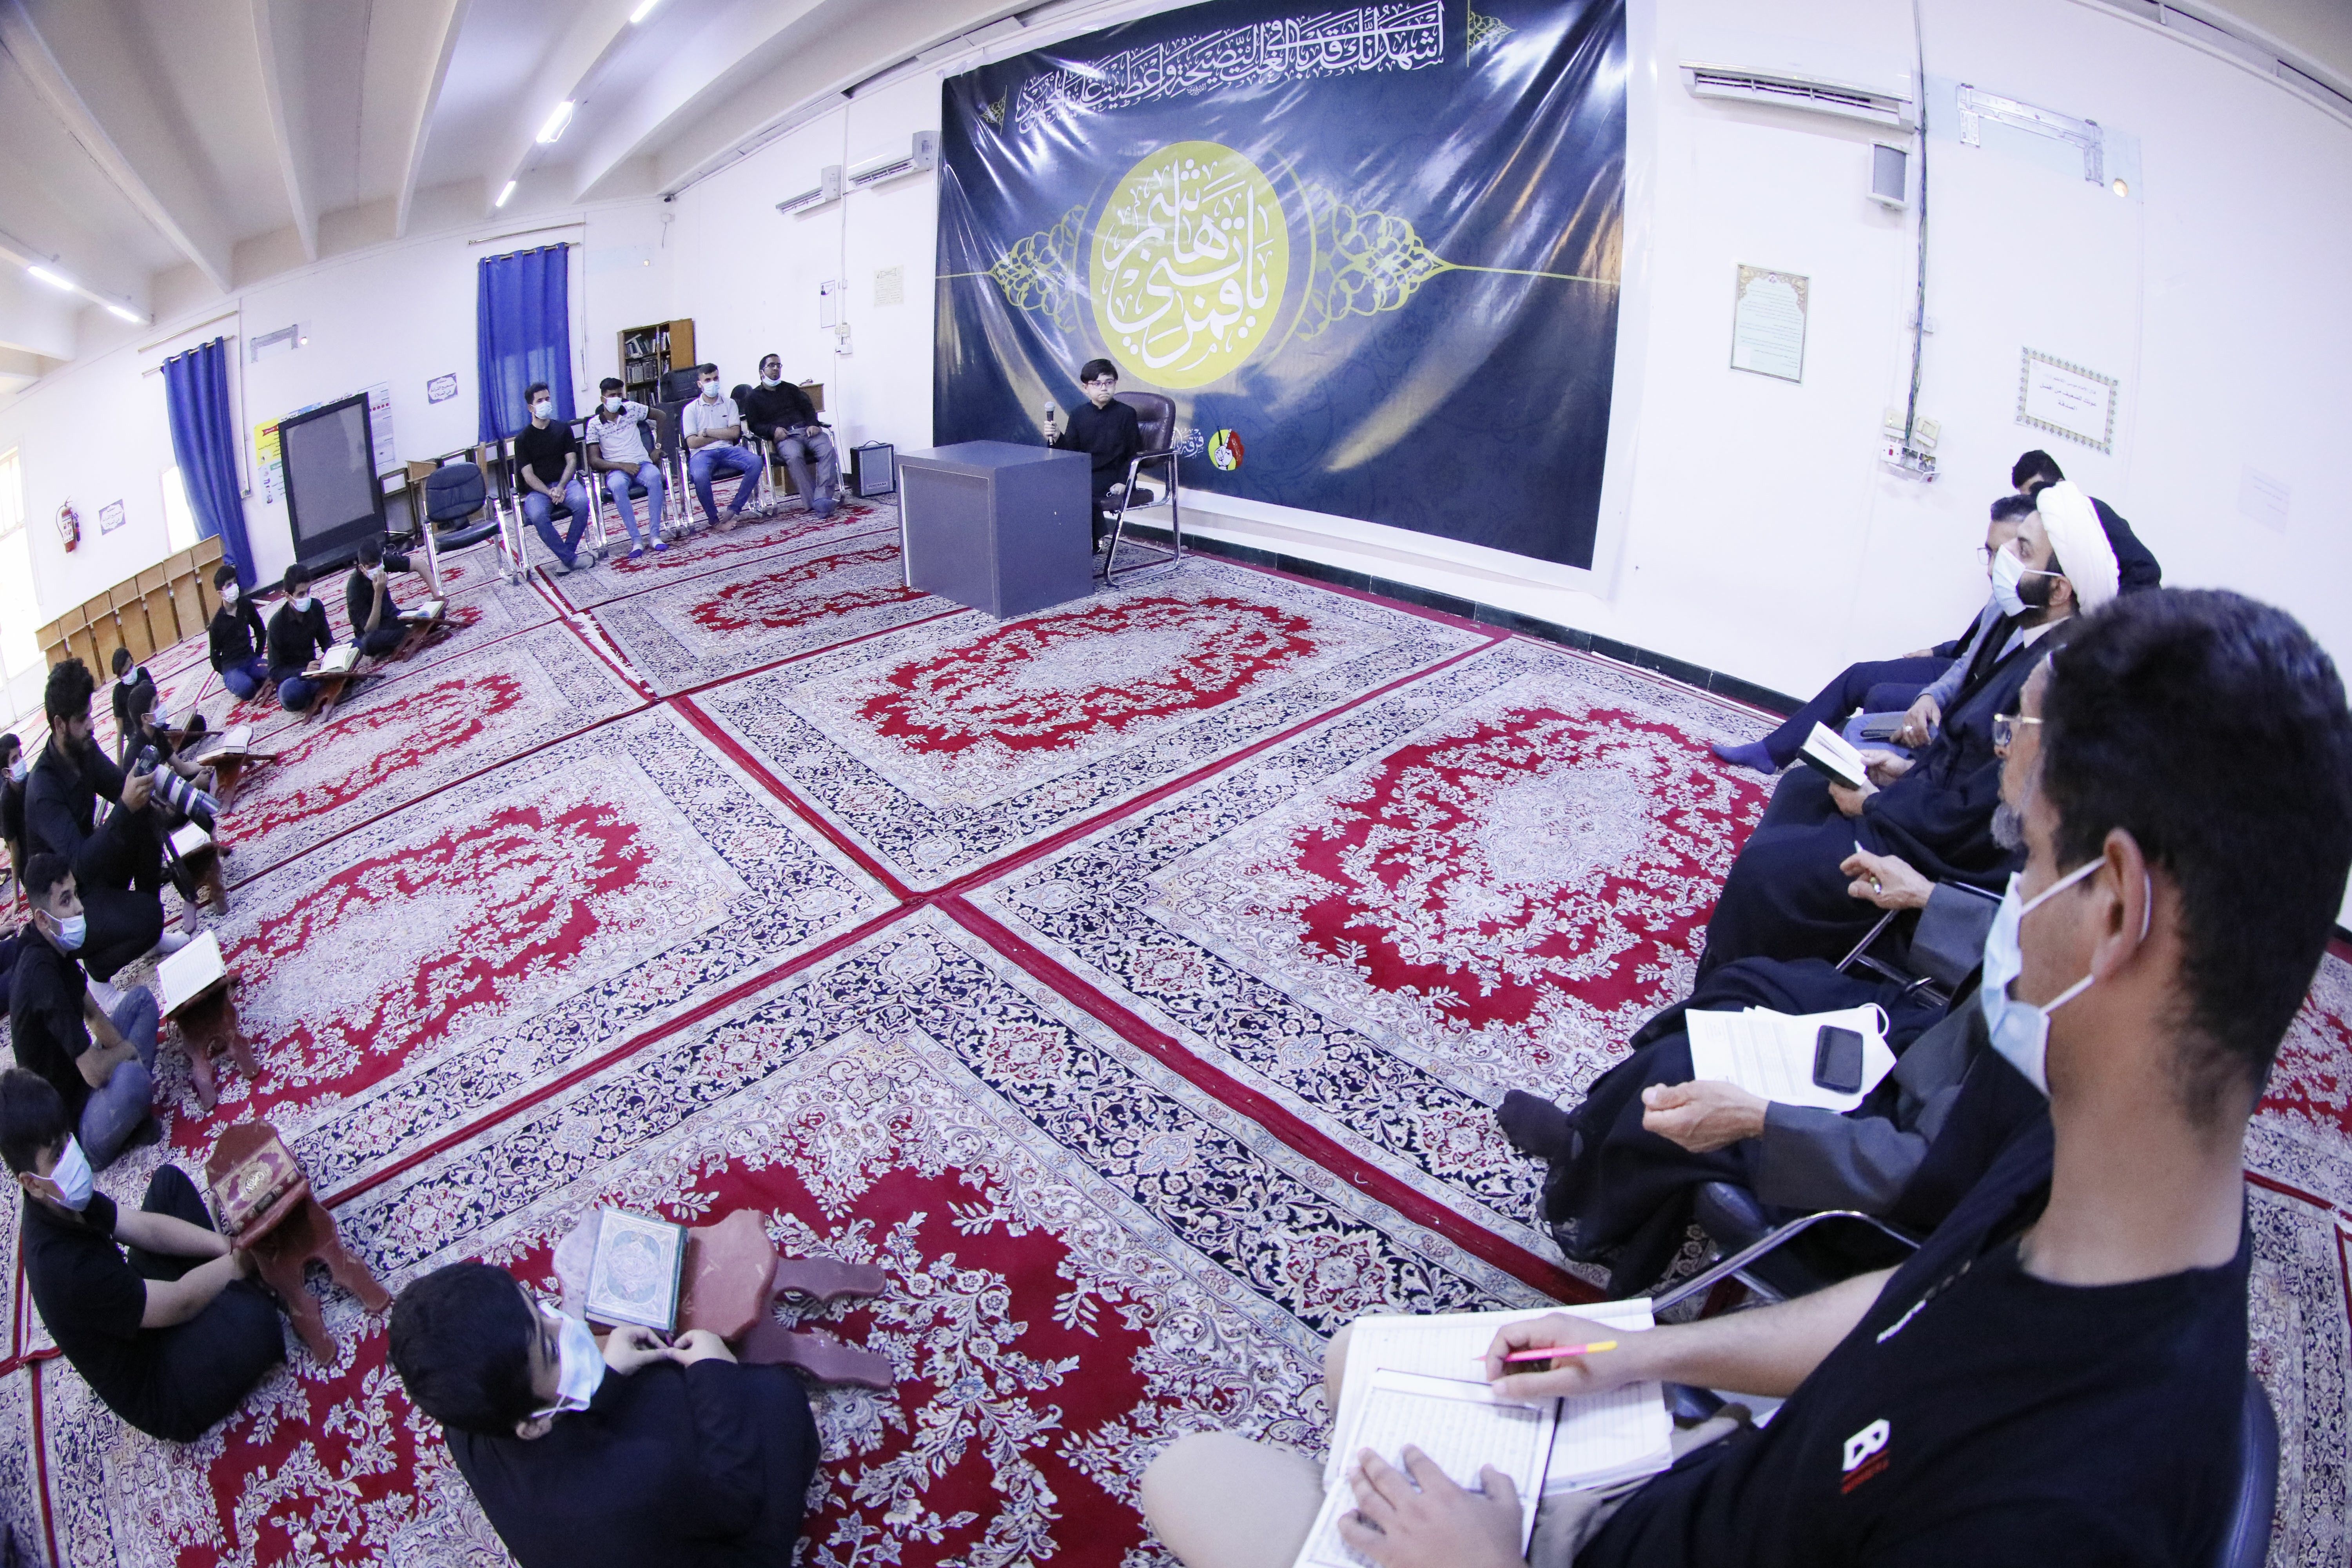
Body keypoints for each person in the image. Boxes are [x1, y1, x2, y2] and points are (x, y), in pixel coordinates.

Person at [1141, 584, 2352, 1568]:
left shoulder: (2050, 1513)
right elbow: (1909, 1306)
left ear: (2115, 911)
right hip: (1704, 1471)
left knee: (1187, 1478)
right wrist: (1641, 1354)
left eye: (2026, 862)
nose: (2003, 911)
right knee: (1358, 1358)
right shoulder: (2115, 1169)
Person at [1511, 659, 2058, 1295]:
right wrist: (1930, 899)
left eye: (2017, 725)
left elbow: (1932, 1170)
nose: (2000, 743)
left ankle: (1598, 1186)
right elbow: (2007, 946)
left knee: (1687, 1066)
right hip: (1936, 1043)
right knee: (1748, 987)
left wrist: (1761, 1119)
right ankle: (1590, 1135)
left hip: (1890, 1157)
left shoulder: (2077, 1003)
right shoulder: (2075, 875)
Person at [1696, 484, 2116, 976]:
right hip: (1928, 808)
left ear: (2060, 590)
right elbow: (1966, 752)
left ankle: (1734, 987)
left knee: (1765, 874)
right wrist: (1902, 771)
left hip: (1936, 849)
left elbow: (1981, 815)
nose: (2003, 559)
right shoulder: (2028, 639)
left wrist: (1875, 803)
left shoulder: (2052, 685)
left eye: (2022, 550)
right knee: (1801, 788)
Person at [388, 1261, 820, 1568]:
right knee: (777, 1397)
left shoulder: (465, 1425)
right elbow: (736, 1503)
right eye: (550, 1349)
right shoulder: (640, 1478)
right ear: (533, 1425)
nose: (564, 1325)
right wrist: (714, 1373)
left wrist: (610, 1375)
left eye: (538, 1309)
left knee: (657, 1386)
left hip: (595, 1523)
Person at [2, 1068, 285, 1441]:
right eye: (57, 1155)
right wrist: (239, 1261)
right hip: (161, 1382)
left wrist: (226, 1247)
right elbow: (180, 1302)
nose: (71, 1156)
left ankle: (229, 1291)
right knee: (259, 1323)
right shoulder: (64, 1268)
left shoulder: (63, 1200)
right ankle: (235, 1296)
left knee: (168, 1185)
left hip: (138, 1311)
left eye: (69, 1138)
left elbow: (142, 1228)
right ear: (30, 1183)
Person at [1713, 495, 2035, 773]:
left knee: (1880, 697)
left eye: (2005, 554)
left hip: (1971, 698)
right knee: (1858, 677)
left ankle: (1867, 783)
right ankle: (1772, 752)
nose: (1992, 569)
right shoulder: (2001, 596)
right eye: (1990, 554)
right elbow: (1973, 653)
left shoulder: (2042, 628)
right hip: (1957, 665)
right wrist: (1932, 677)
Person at [22, 659, 176, 977]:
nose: (92, 725)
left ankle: (148, 934)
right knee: (151, 917)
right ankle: (97, 968)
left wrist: (152, 789)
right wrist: (126, 805)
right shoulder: (43, 789)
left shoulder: (83, 751)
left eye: (90, 714)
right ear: (60, 725)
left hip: (89, 873)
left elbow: (121, 788)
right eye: (83, 719)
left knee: (143, 817)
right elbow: (80, 862)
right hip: (67, 903)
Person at [8, 855, 160, 1167]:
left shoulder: (54, 945)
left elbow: (93, 1014)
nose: (79, 908)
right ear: (42, 919)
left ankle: (130, 1110)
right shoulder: (40, 975)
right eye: (66, 901)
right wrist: (127, 1053)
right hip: (73, 1125)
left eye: (76, 894)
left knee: (141, 1002)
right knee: (131, 1078)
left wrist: (122, 1052)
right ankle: (116, 1126)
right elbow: (95, 1073)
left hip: (82, 1080)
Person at [2013, 449, 2161, 593]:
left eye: (2040, 492)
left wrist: (2112, 609)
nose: (2036, 502)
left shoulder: (2091, 511)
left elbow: (2146, 569)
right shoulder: (2044, 527)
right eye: (2029, 498)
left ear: (2062, 484)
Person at [1044, 358, 1142, 549]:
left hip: (1114, 476)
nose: (1104, 388)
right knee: (1050, 487)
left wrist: (1124, 481)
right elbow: (1071, 453)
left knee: (1080, 489)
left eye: (1109, 382)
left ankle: (1091, 543)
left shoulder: (1126, 414)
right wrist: (1057, 437)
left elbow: (1134, 454)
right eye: (1097, 384)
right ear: (1085, 388)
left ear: (1115, 384)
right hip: (1085, 473)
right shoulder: (1078, 415)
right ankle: (1057, 545)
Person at [738, 354, 838, 520]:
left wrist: (813, 423)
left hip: (807, 430)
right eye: (772, 366)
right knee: (794, 456)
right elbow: (755, 426)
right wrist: (773, 430)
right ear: (762, 372)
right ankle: (814, 503)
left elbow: (808, 409)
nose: (776, 369)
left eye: (779, 365)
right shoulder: (753, 398)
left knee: (828, 449)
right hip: (786, 437)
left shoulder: (791, 389)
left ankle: (822, 498)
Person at [515, 382, 599, 574]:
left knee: (582, 503)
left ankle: (567, 559)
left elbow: (572, 461)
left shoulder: (563, 429)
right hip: (539, 491)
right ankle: (571, 559)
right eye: (540, 401)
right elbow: (528, 475)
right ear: (531, 408)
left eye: (548, 399)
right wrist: (549, 492)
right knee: (537, 515)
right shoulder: (522, 440)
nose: (545, 403)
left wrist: (560, 487)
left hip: (565, 484)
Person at [583, 377, 669, 557]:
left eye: (619, 395)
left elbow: (661, 416)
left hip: (642, 464)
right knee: (617, 486)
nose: (616, 399)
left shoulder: (632, 409)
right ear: (603, 399)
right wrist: (623, 466)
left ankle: (655, 536)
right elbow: (594, 461)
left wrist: (657, 447)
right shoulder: (594, 425)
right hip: (617, 470)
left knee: (655, 477)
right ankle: (636, 540)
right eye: (611, 396)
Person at [682, 364, 761, 533]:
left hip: (728, 450)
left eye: (716, 379)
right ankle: (715, 520)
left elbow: (735, 434)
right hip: (701, 454)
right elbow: (692, 443)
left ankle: (734, 509)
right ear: (700, 384)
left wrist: (707, 432)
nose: (713, 383)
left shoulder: (730, 404)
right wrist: (722, 434)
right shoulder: (690, 410)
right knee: (700, 476)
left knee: (756, 462)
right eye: (708, 380)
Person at [266, 564, 338, 713]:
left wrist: (336, 649)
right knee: (289, 694)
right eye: (301, 594)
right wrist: (304, 671)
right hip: (294, 678)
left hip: (316, 671)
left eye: (308, 592)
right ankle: (328, 688)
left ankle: (323, 688)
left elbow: (326, 641)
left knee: (357, 646)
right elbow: (275, 671)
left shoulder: (316, 607)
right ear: (288, 596)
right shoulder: (277, 624)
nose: (306, 598)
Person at [207, 564, 271, 702]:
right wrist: (227, 673)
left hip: (250, 659)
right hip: (232, 668)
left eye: (235, 582)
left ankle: (255, 678)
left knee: (274, 671)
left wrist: (257, 655)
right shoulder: (217, 624)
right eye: (229, 585)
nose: (234, 587)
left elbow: (260, 631)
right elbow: (215, 657)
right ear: (221, 593)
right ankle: (243, 681)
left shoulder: (246, 605)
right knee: (247, 688)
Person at [345, 538, 410, 660]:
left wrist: (438, 596)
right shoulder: (354, 588)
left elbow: (419, 565)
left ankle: (406, 634)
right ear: (362, 568)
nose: (377, 569)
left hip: (393, 620)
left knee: (432, 614)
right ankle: (410, 633)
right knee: (368, 643)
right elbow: (370, 629)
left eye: (379, 564)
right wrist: (378, 593)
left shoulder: (382, 563)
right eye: (371, 567)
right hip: (372, 632)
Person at [2, 731, 26, 895]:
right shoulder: (6, 802)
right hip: (30, 863)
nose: (21, 762)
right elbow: (15, 850)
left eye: (21, 756)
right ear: (6, 772)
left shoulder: (33, 781)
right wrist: (17, 898)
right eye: (15, 760)